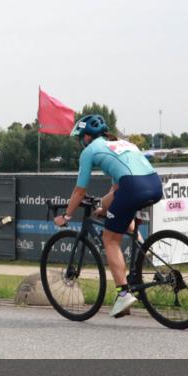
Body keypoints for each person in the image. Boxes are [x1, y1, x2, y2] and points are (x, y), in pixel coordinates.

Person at [53, 114, 163, 318]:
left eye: (80, 138)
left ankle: (123, 294)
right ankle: (144, 257)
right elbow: (116, 190)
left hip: (132, 187)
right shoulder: (122, 144)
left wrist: (66, 216)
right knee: (125, 221)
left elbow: (79, 191)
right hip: (154, 185)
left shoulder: (89, 151)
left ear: (86, 137)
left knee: (110, 239)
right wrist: (103, 208)